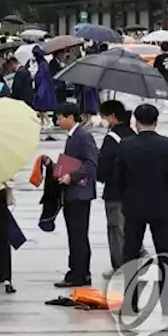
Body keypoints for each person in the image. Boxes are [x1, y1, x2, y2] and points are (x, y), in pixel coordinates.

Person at [112, 103, 168, 311]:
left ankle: (131, 300)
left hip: (134, 206)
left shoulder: (126, 145)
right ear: (156, 121)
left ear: (135, 121)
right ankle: (167, 300)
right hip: (160, 205)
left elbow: (118, 178)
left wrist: (127, 196)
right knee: (164, 251)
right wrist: (164, 194)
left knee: (130, 253)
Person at [54, 101, 97, 287]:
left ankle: (78, 274)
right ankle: (80, 272)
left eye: (60, 117)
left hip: (80, 193)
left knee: (78, 234)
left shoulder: (83, 136)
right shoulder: (73, 136)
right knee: (76, 234)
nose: (57, 121)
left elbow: (91, 162)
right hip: (72, 192)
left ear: (70, 117)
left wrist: (71, 177)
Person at [96, 99, 134, 275]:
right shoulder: (132, 134)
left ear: (112, 117)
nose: (102, 120)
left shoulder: (112, 138)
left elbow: (103, 166)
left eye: (103, 116)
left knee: (115, 228)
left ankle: (119, 264)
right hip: (132, 190)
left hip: (115, 190)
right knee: (130, 226)